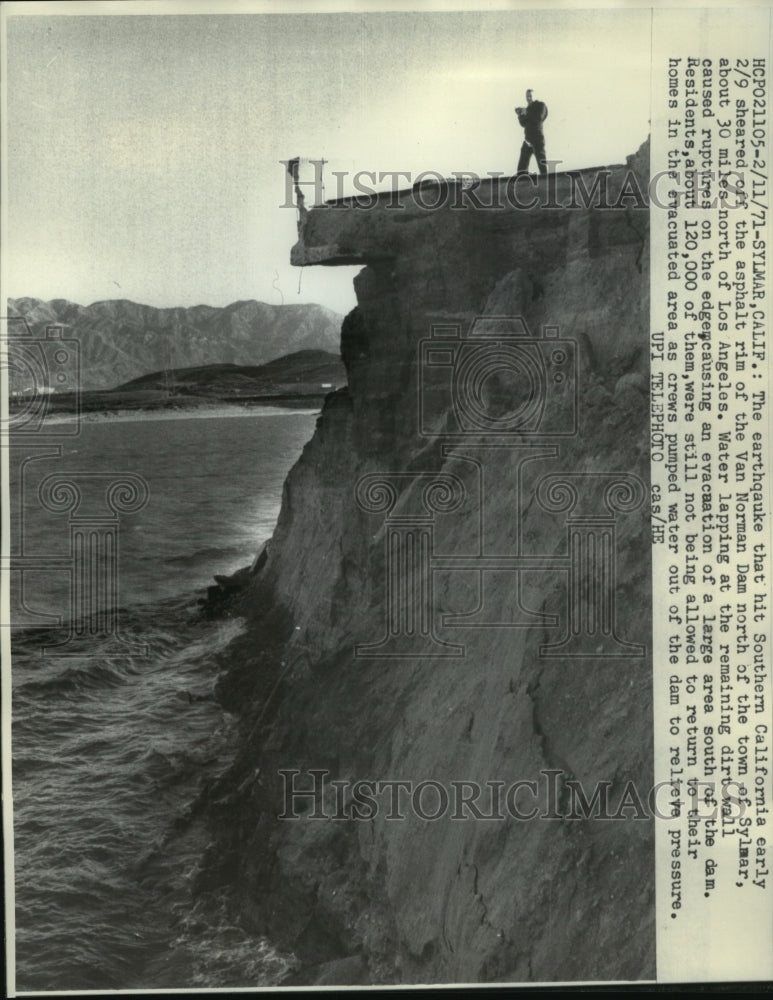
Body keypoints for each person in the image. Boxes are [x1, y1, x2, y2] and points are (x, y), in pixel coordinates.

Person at [515, 89, 548, 176]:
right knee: (521, 168)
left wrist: (526, 112)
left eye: (530, 96)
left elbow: (539, 118)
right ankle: (522, 180)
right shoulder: (528, 109)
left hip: (537, 139)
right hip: (527, 140)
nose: (528, 98)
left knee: (542, 165)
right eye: (527, 97)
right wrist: (520, 115)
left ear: (534, 96)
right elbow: (523, 123)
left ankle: (545, 179)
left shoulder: (541, 105)